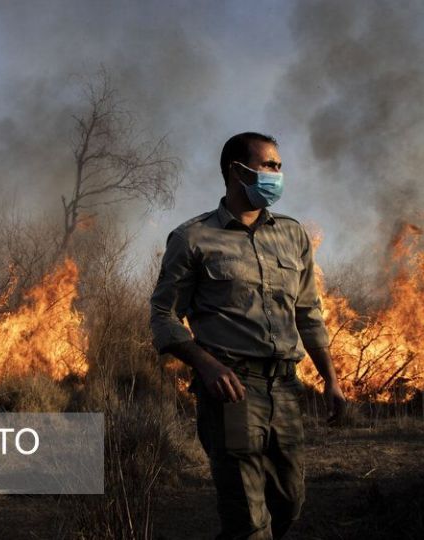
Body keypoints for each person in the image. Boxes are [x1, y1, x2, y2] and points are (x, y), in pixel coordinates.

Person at [150, 132, 346, 539]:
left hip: (285, 388)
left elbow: (309, 313)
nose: (278, 173)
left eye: (279, 166)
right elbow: (163, 316)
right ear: (236, 171)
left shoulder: (292, 235)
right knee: (248, 520)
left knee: (290, 502)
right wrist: (206, 365)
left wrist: (331, 378)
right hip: (232, 391)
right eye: (269, 165)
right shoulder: (192, 238)